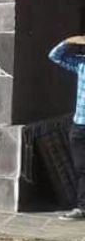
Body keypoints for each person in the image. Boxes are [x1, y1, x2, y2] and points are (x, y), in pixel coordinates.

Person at [49, 35, 85, 220]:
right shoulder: (81, 65)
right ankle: (82, 208)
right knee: (81, 168)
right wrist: (69, 42)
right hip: (80, 125)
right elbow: (54, 56)